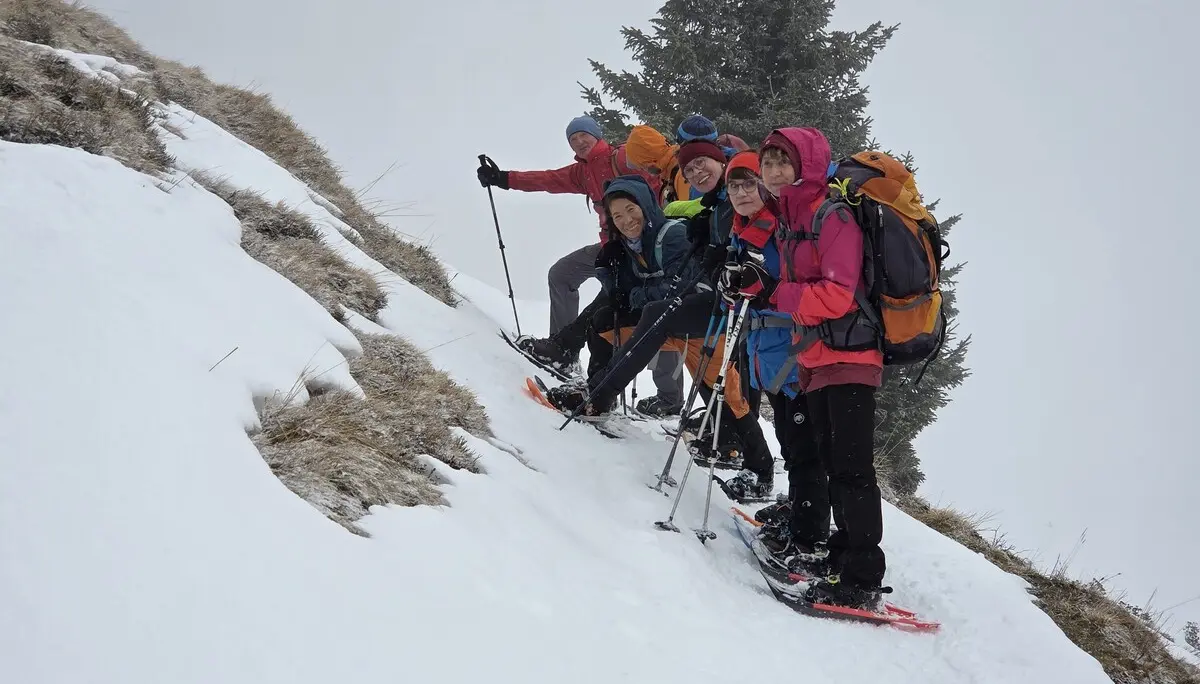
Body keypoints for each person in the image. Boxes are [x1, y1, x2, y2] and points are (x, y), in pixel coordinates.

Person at [543, 169, 776, 503]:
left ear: (646, 206)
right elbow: (631, 293)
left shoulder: (672, 235)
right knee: (604, 323)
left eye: (631, 210)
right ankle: (596, 393)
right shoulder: (628, 247)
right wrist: (611, 274)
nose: (626, 220)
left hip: (699, 323)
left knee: (729, 396)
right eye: (618, 215)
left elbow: (684, 285)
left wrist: (643, 295)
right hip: (665, 326)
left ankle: (763, 469)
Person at [729, 126, 888, 610]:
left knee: (852, 471)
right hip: (815, 358)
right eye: (769, 163)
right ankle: (839, 556)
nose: (774, 172)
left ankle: (862, 580)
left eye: (784, 162)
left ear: (808, 164)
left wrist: (773, 292)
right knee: (830, 463)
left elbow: (838, 295)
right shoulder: (792, 219)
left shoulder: (831, 215)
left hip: (852, 355)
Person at [476, 117, 673, 392]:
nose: (579, 141)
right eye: (573, 138)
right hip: (611, 247)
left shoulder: (623, 157)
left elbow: (658, 161)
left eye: (584, 135)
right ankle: (562, 351)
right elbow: (548, 179)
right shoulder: (582, 173)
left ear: (597, 136)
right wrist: (504, 179)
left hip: (646, 246)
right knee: (562, 273)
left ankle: (666, 396)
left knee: (638, 306)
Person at [714, 151, 829, 573]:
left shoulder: (783, 231)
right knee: (790, 440)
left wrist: (760, 289)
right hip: (771, 354)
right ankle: (802, 514)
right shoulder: (743, 231)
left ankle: (811, 537)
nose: (741, 192)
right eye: (734, 185)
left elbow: (797, 292)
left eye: (749, 184)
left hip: (798, 355)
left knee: (803, 449)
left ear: (764, 187)